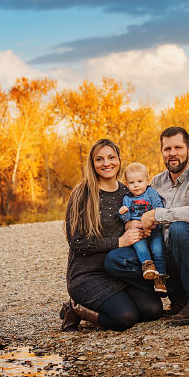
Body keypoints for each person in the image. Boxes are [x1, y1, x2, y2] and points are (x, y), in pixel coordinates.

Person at [105, 127, 189, 325]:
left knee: (178, 228)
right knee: (115, 259)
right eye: (167, 149)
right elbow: (136, 206)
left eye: (178, 147)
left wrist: (157, 215)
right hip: (165, 255)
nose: (172, 153)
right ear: (162, 152)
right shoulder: (155, 182)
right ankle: (175, 296)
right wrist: (133, 223)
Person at [60, 139, 163, 332]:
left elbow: (138, 222)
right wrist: (119, 241)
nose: (106, 163)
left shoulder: (128, 190)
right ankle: (77, 309)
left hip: (118, 270)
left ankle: (110, 302)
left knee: (153, 310)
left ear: (119, 160)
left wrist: (138, 225)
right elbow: (76, 241)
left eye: (111, 157)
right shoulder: (82, 194)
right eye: (99, 159)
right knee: (124, 318)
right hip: (87, 275)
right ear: (92, 163)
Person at [118, 162, 167, 294]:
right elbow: (126, 220)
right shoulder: (127, 198)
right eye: (132, 182)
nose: (136, 185)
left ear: (147, 180)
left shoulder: (151, 193)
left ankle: (161, 278)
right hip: (138, 231)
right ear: (126, 184)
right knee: (140, 247)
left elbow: (159, 207)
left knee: (158, 250)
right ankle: (148, 267)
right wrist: (123, 212)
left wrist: (153, 221)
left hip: (154, 229)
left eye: (140, 181)